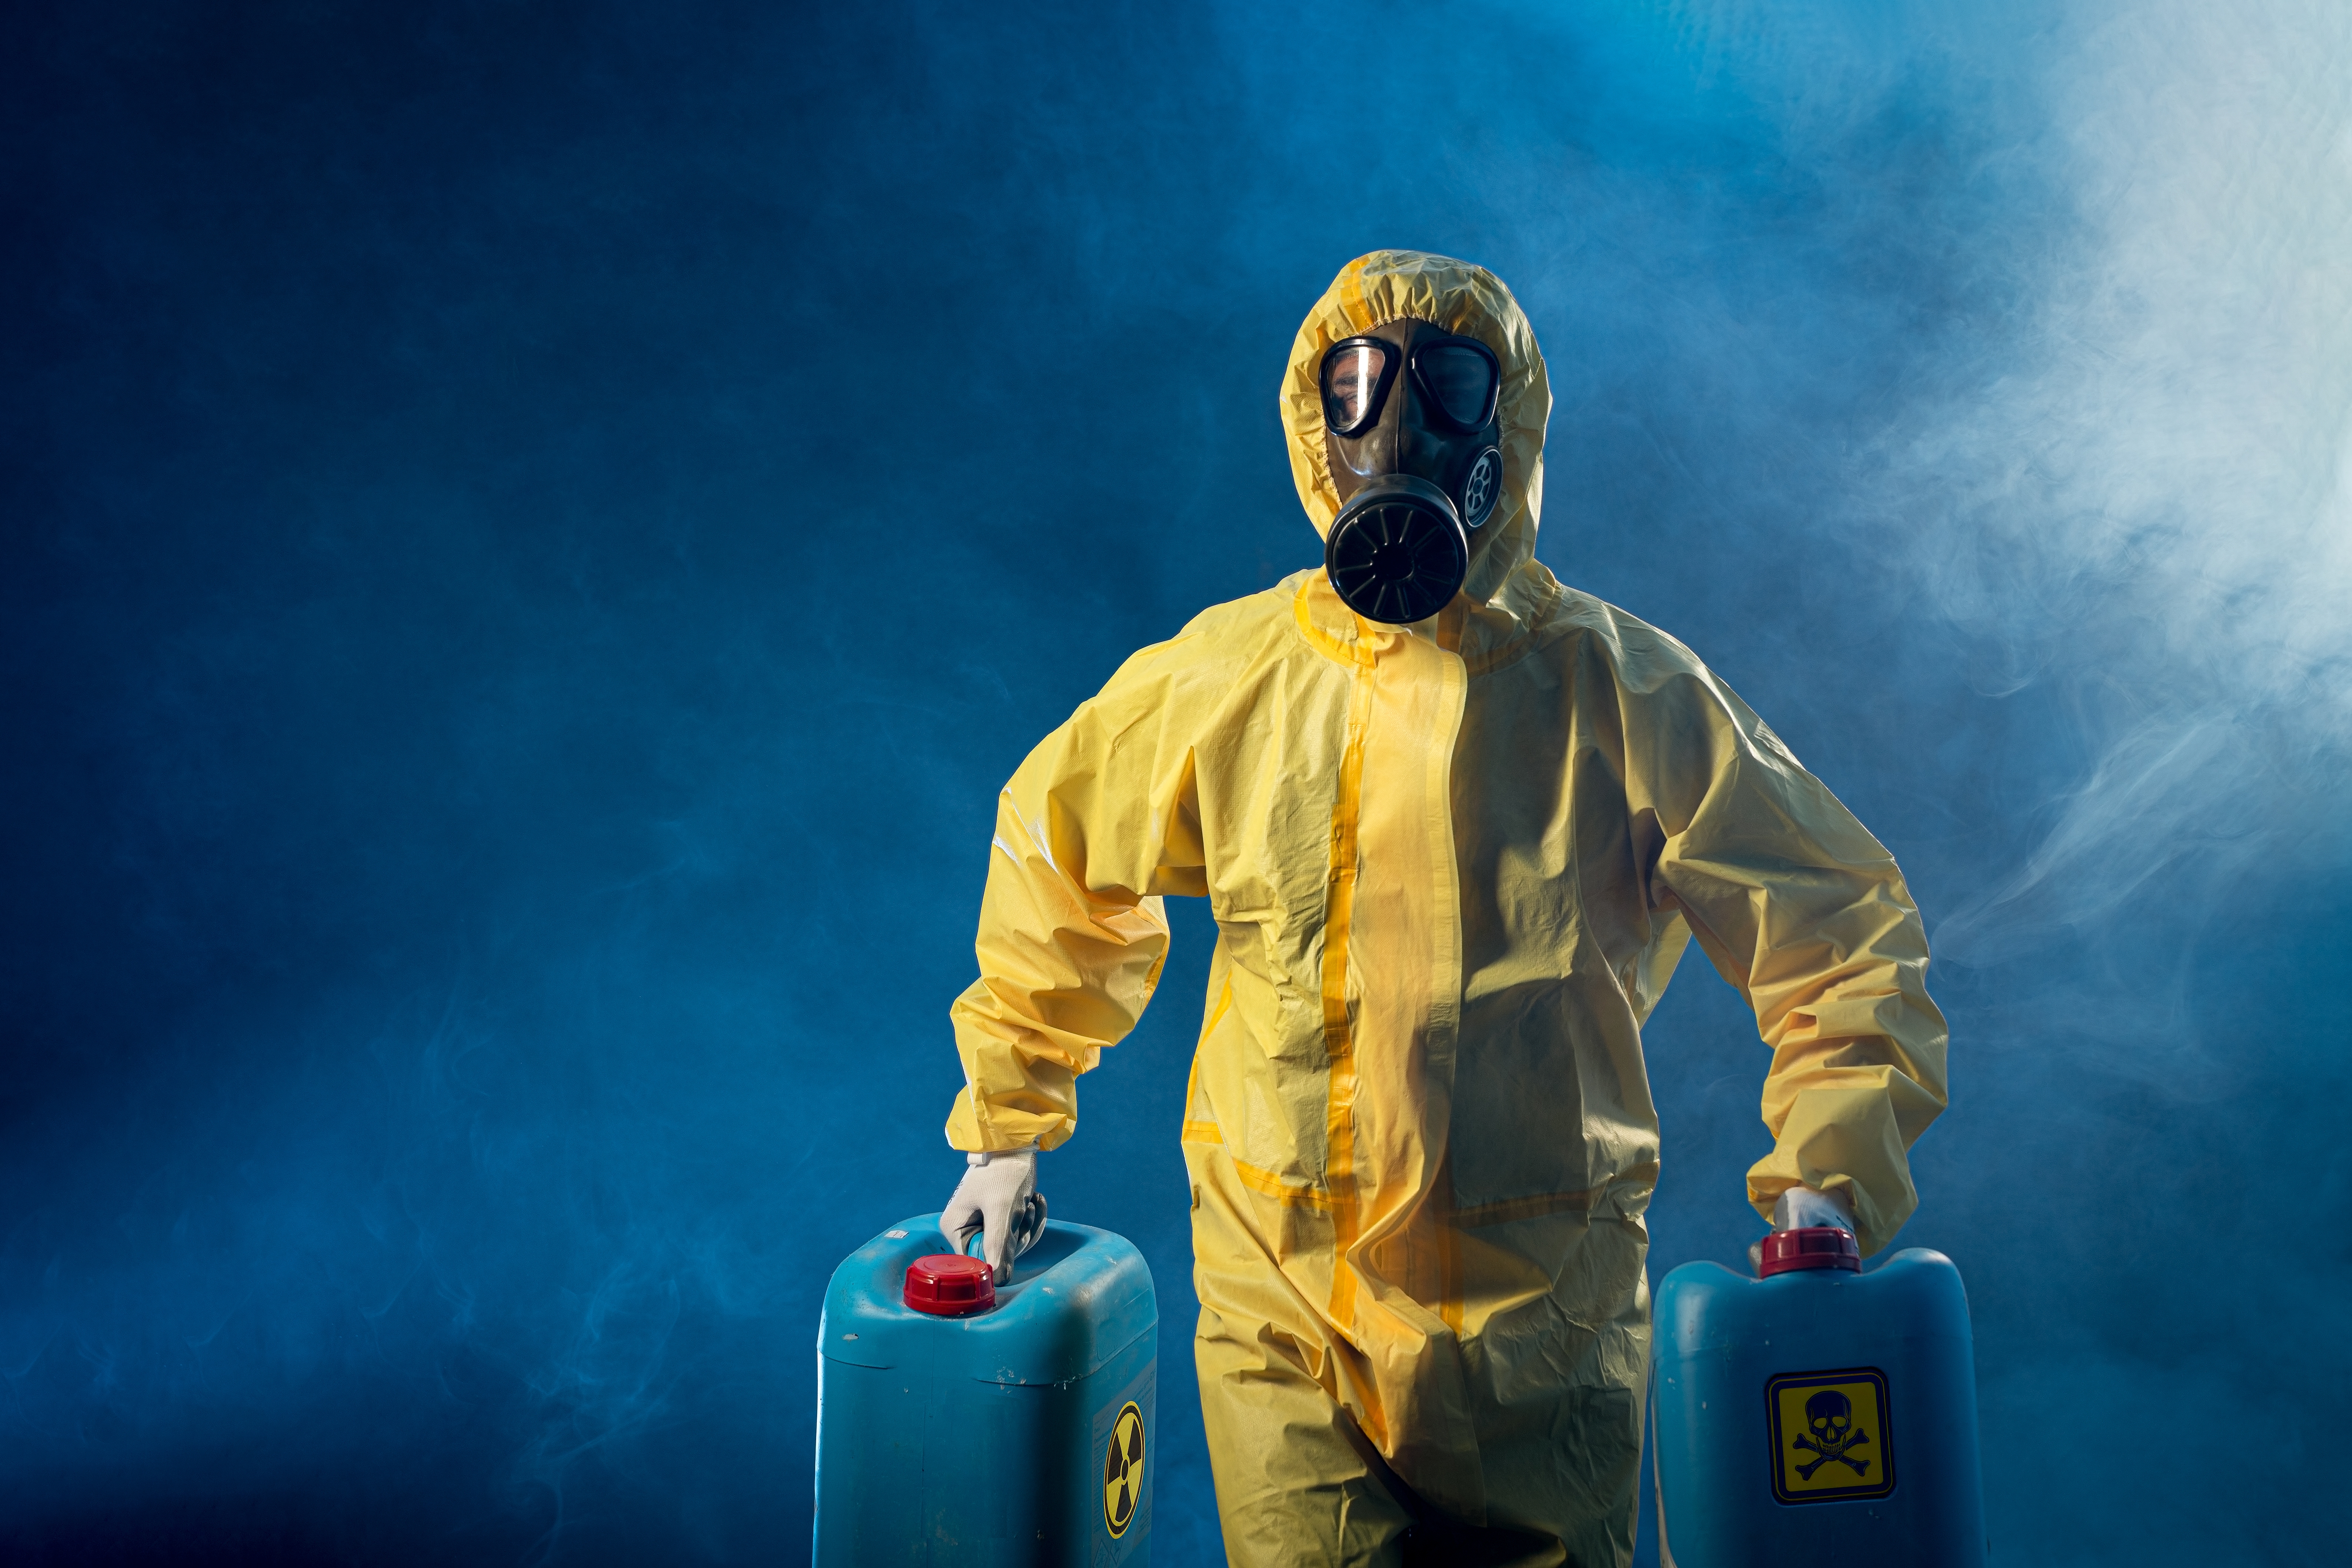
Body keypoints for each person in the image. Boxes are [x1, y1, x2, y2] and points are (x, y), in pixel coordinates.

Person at [937, 250, 1948, 1568]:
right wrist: (1006, 1126)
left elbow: (1838, 923)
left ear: (1509, 427)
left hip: (1552, 1338)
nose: (1396, 426)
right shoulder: (1229, 682)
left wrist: (1830, 1173)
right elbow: (1058, 846)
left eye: (1450, 385)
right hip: (1291, 1318)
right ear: (1314, 429)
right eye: (1355, 386)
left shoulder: (1620, 692)